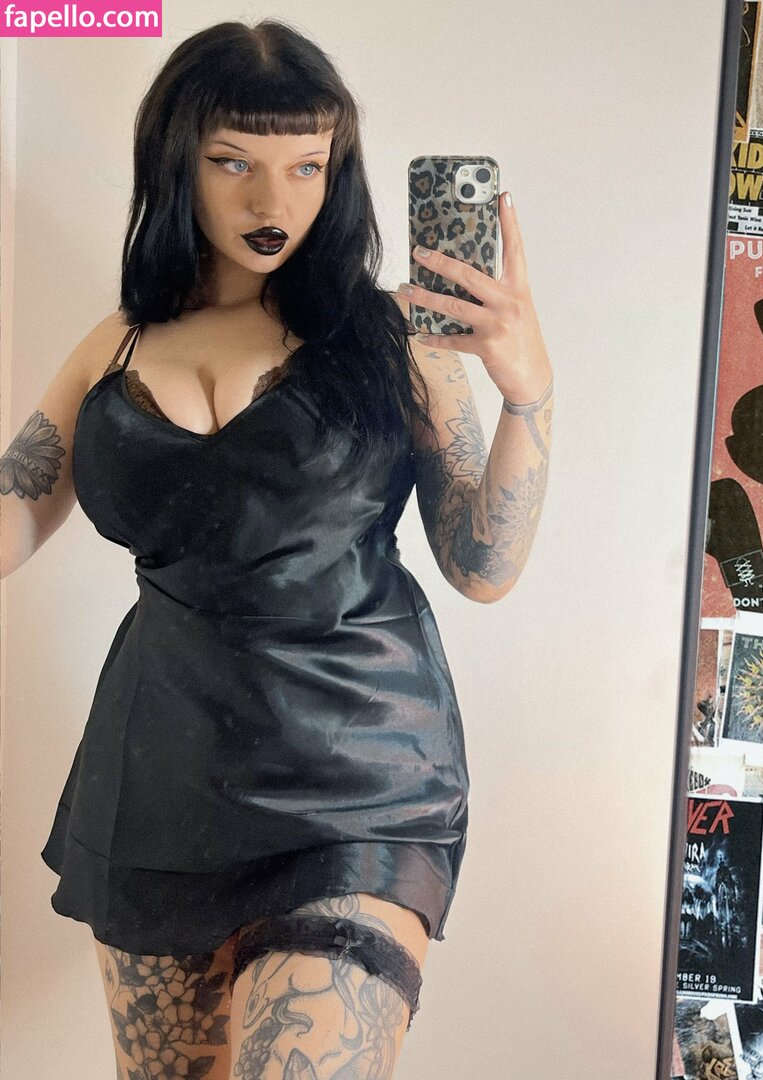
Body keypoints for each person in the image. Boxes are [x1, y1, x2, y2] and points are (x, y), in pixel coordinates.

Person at [0, 18, 553, 1080]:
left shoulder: (393, 339)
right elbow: (13, 517)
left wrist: (529, 394)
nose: (274, 200)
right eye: (234, 163)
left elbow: (482, 565)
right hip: (157, 789)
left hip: (360, 789)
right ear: (177, 161)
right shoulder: (117, 344)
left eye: (307, 165)